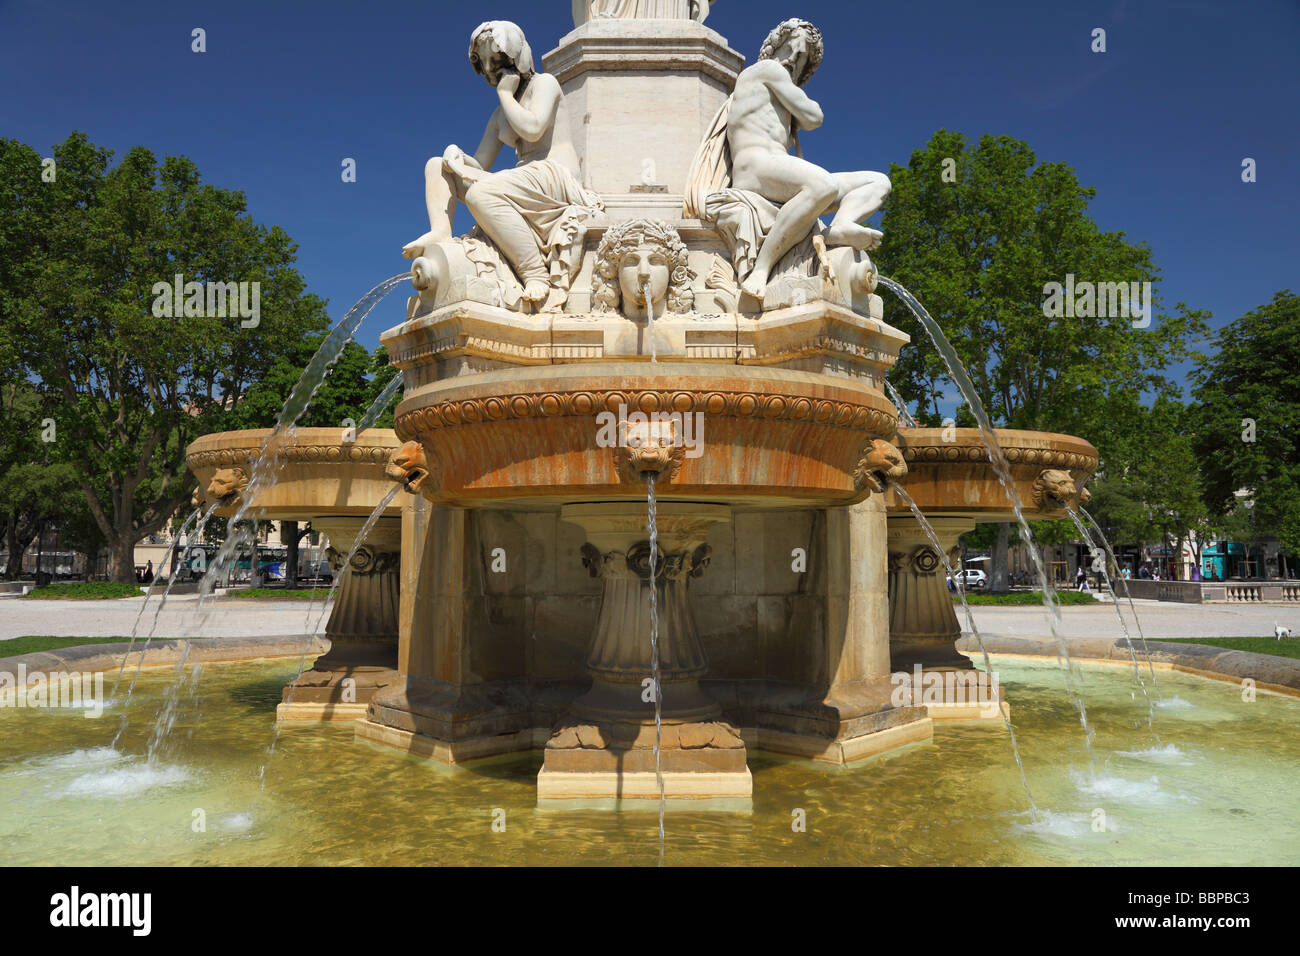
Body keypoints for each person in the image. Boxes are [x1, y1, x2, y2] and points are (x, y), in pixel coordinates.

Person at [684, 18, 891, 299]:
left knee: (877, 182)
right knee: (823, 185)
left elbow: (808, 118)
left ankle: (840, 227)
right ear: (775, 46)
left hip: (781, 176)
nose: (793, 59)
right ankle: (762, 268)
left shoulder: (780, 92)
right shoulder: (766, 70)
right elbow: (814, 117)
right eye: (790, 49)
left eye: (803, 57)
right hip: (755, 170)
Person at [403, 21, 601, 307]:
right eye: (484, 62)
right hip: (523, 177)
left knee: (481, 194)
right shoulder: (500, 115)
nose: (490, 69)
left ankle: (535, 273)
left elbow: (532, 129)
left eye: (496, 60)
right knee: (436, 164)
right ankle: (441, 231)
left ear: (516, 57)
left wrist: (506, 95)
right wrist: (456, 155)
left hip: (554, 175)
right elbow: (480, 164)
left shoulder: (545, 84)